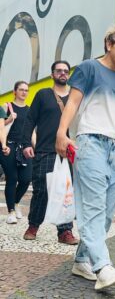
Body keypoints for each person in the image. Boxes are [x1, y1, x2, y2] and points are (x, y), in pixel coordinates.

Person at [55, 24, 115, 290]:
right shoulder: (88, 68)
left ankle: (82, 259)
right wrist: (62, 133)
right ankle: (102, 268)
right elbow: (72, 103)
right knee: (93, 208)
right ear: (109, 43)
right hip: (91, 142)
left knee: (106, 213)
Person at [21, 62, 78, 245]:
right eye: (59, 71)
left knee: (66, 191)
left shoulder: (74, 98)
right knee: (41, 191)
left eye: (65, 71)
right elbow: (30, 120)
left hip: (68, 152)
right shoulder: (43, 95)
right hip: (46, 150)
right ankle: (33, 225)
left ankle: (65, 231)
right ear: (52, 74)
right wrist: (25, 143)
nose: (62, 73)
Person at [0, 81, 32, 224]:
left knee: (26, 179)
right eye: (21, 90)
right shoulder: (6, 107)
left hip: (25, 147)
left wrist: (35, 148)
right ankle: (11, 211)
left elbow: (32, 133)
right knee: (12, 178)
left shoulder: (30, 110)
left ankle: (16, 202)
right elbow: (1, 128)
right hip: (9, 147)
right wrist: (9, 119)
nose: (24, 92)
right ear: (14, 91)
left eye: (26, 90)